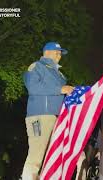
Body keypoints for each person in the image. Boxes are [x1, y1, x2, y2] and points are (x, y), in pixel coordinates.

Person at [22, 42, 74, 180]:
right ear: (47, 52)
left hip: (58, 119)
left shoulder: (60, 75)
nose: (59, 55)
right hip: (40, 116)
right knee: (36, 156)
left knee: (53, 156)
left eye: (60, 53)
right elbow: (32, 87)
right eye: (57, 52)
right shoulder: (37, 66)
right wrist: (60, 89)